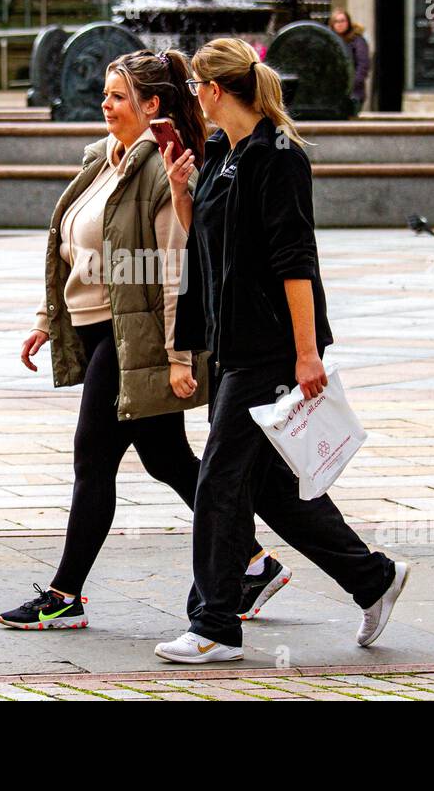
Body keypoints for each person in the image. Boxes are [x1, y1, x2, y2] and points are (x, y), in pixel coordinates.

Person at [0, 49, 292, 631]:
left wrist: (180, 355)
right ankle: (252, 561)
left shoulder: (161, 168)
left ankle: (64, 594)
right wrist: (45, 318)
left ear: (151, 105)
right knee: (166, 458)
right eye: (104, 95)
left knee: (92, 459)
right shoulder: (103, 160)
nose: (104, 105)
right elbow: (74, 249)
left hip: (135, 338)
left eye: (117, 96)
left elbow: (178, 268)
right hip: (101, 326)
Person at [154, 38, 409, 663]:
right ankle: (371, 577)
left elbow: (297, 262)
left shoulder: (279, 156)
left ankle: (214, 623)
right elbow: (208, 243)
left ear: (214, 91)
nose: (194, 102)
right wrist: (182, 189)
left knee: (217, 481)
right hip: (232, 343)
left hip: (270, 348)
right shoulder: (221, 151)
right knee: (269, 486)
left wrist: (306, 354)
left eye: (196, 91)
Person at [329, 7, 370, 117]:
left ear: (348, 22)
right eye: (336, 21)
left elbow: (363, 65)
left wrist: (352, 85)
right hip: (333, 93)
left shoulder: (358, 41)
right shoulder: (329, 41)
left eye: (343, 21)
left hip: (354, 92)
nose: (340, 24)